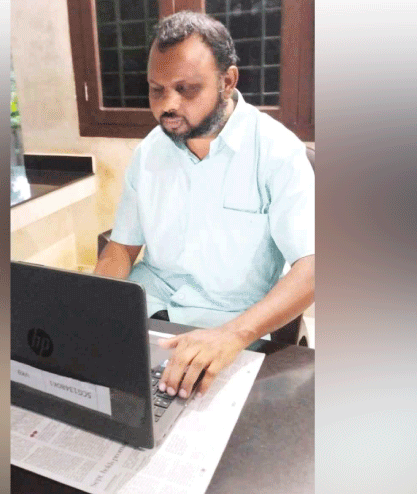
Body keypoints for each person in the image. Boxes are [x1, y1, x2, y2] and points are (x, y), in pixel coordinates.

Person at [93, 11, 314, 400]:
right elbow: (122, 247)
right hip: (146, 316)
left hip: (226, 329)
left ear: (227, 81)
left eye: (186, 89)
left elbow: (312, 267)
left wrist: (233, 335)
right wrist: (90, 306)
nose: (168, 106)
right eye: (157, 90)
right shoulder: (149, 152)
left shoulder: (277, 153)